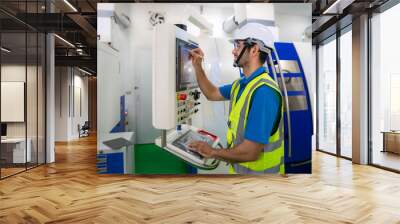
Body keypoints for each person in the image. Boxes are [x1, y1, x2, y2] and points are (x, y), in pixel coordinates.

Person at [188, 23, 285, 174]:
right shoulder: (240, 85)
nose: (233, 51)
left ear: (254, 50)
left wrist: (211, 151)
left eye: (238, 46)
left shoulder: (264, 92)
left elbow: (250, 152)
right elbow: (212, 93)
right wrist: (198, 65)